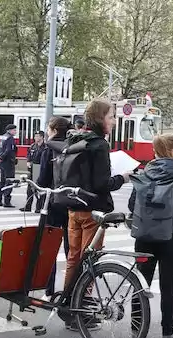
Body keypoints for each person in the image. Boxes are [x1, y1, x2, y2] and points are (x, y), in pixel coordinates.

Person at [60, 99, 129, 322]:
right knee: (90, 262)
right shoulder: (100, 145)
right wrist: (123, 177)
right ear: (100, 118)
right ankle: (82, 309)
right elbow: (101, 184)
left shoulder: (76, 138)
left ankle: (67, 305)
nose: (114, 122)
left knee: (73, 259)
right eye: (111, 117)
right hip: (93, 212)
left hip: (73, 207)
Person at [128, 133, 173, 338]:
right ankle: (167, 335)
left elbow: (132, 204)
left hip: (144, 238)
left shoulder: (145, 172)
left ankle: (135, 331)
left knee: (140, 284)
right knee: (168, 287)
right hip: (170, 237)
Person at [40, 116, 72, 297]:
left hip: (52, 204)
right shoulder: (73, 148)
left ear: (53, 130)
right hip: (71, 203)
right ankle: (70, 292)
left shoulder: (49, 149)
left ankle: (49, 290)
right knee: (71, 251)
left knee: (49, 249)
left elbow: (43, 179)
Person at [20, 131, 45, 212]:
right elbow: (28, 155)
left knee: (39, 189)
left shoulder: (45, 147)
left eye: (37, 136)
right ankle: (28, 206)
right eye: (35, 136)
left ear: (42, 137)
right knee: (30, 189)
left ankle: (38, 208)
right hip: (32, 169)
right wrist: (28, 161)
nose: (36, 138)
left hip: (40, 168)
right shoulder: (33, 146)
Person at [0, 123, 18, 208]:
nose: (15, 131)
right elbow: (9, 150)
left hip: (2, 163)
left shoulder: (2, 137)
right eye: (14, 130)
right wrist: (2, 157)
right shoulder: (10, 138)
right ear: (10, 130)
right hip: (9, 162)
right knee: (9, 181)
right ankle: (7, 201)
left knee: (2, 181)